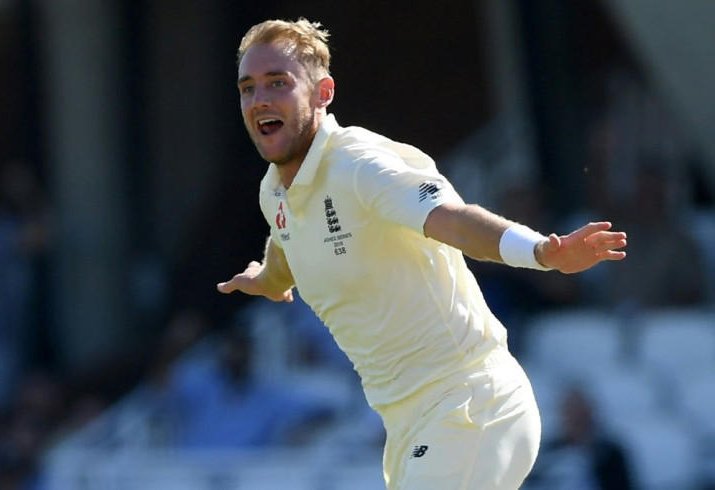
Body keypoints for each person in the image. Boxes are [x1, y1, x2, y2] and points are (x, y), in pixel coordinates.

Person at [217, 18, 627, 490]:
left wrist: (540, 252)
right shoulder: (275, 194)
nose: (260, 99)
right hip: (410, 425)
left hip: (472, 404)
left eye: (278, 83)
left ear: (323, 92)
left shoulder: (358, 165)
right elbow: (288, 243)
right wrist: (265, 278)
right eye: (248, 88)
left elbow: (453, 219)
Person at [525, 386, 635, 489]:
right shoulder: (549, 453)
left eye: (581, 415)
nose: (576, 421)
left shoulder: (609, 454)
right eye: (571, 414)